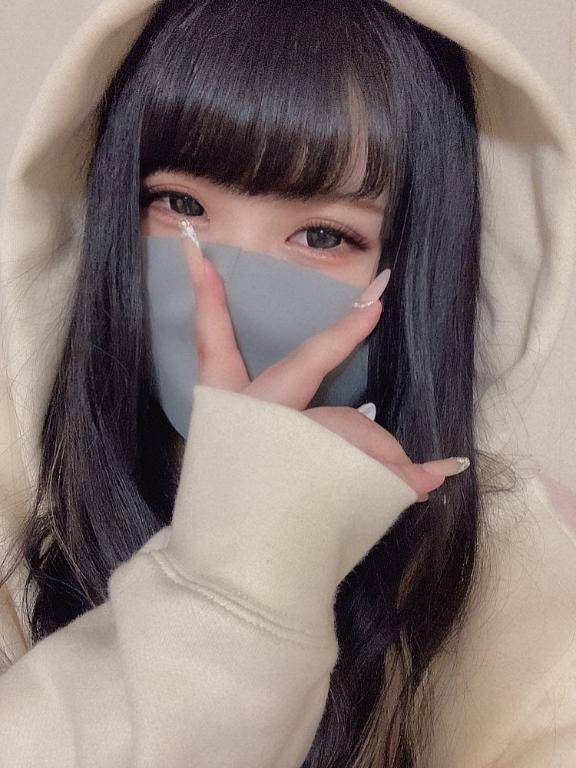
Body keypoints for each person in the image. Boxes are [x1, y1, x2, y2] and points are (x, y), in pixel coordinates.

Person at [0, 0, 575, 765]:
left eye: (323, 235)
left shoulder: (530, 614)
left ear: (415, 272)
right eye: (180, 205)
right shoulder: (12, 521)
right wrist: (236, 570)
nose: (227, 289)